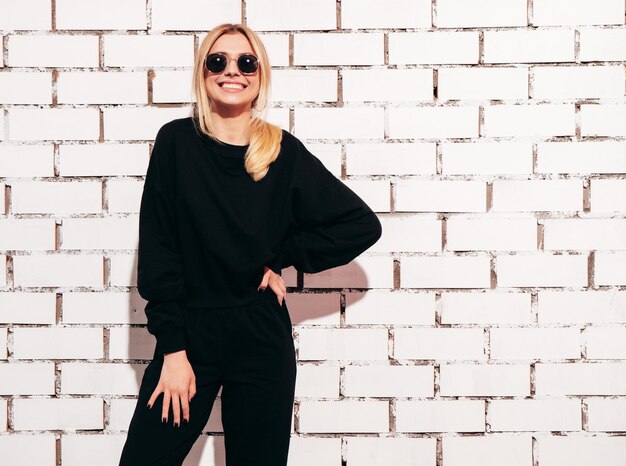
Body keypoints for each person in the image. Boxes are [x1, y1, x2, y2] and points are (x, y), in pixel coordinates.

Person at [118, 23, 382, 466]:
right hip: (190, 334)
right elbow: (161, 254)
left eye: (246, 62)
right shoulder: (176, 143)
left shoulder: (281, 152)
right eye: (217, 61)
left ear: (260, 75)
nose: (231, 71)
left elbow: (360, 225)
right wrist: (174, 350)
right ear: (202, 73)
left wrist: (279, 258)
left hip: (260, 338)